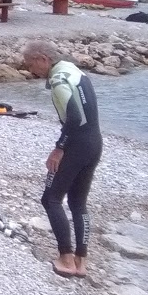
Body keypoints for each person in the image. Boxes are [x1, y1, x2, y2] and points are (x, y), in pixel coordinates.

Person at [23, 41, 103, 279]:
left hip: (76, 145)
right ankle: (81, 262)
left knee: (51, 199)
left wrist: (59, 149)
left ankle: (66, 258)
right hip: (94, 143)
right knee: (78, 202)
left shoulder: (58, 81)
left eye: (30, 64)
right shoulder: (73, 70)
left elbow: (74, 118)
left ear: (42, 59)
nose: (30, 71)